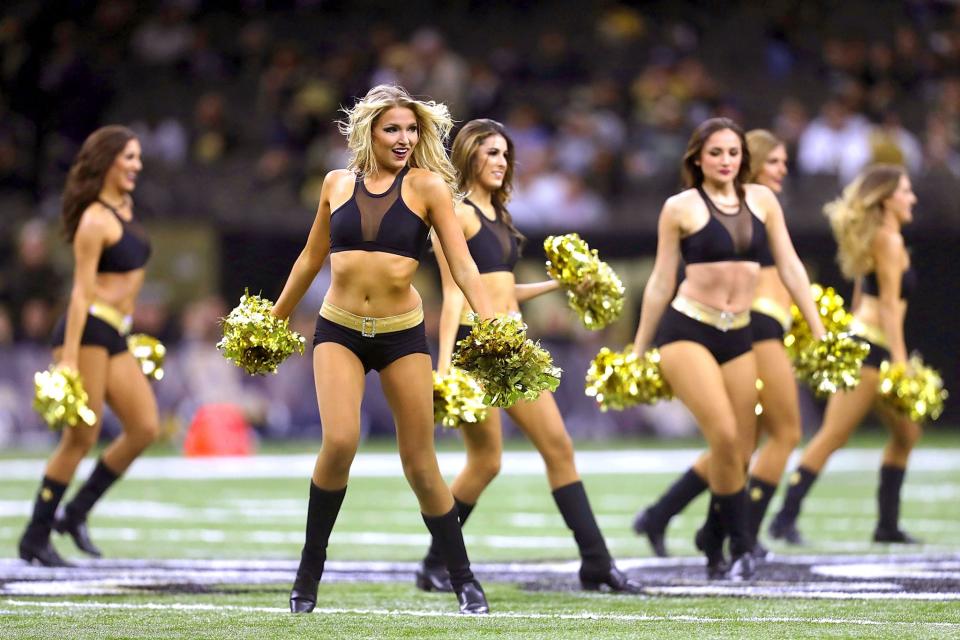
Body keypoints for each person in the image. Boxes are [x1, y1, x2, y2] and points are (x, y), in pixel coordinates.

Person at [269, 85, 492, 614]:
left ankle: (464, 579)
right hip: (339, 329)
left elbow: (461, 267)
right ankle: (308, 575)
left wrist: (493, 325)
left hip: (401, 333)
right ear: (368, 131)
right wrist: (273, 321)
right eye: (393, 128)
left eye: (412, 130)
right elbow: (309, 259)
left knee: (420, 462)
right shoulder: (335, 184)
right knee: (340, 441)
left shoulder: (429, 187)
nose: (404, 138)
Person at [415, 119, 641, 594]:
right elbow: (456, 291)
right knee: (506, 456)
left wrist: (562, 284)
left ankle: (436, 563)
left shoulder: (497, 215)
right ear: (468, 157)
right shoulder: (458, 213)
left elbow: (499, 287)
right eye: (489, 153)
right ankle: (595, 562)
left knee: (498, 459)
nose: (499, 162)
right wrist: (443, 367)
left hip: (511, 344)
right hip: (480, 348)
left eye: (504, 155)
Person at [629, 118, 825, 578]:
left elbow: (792, 266)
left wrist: (817, 328)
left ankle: (711, 543)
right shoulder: (679, 207)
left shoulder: (763, 200)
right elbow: (660, 280)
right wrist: (639, 346)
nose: (725, 161)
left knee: (739, 449)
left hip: (737, 333)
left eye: (733, 153)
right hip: (688, 329)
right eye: (715, 153)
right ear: (697, 157)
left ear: (743, 159)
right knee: (723, 434)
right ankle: (741, 548)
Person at [18, 125, 159, 567]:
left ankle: (75, 513)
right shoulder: (94, 220)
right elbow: (81, 294)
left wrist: (132, 331)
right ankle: (36, 535)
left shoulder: (126, 207)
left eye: (138, 157)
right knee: (81, 437)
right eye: (129, 158)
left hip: (115, 332)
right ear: (107, 161)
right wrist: (70, 363)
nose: (137, 165)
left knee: (144, 427)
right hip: (88, 331)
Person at [768, 164, 921, 545]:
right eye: (905, 191)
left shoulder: (877, 237)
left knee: (906, 434)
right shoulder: (889, 240)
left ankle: (887, 526)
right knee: (833, 435)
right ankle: (783, 519)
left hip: (867, 342)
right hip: (874, 348)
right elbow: (887, 304)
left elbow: (859, 295)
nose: (911, 197)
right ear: (886, 200)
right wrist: (901, 362)